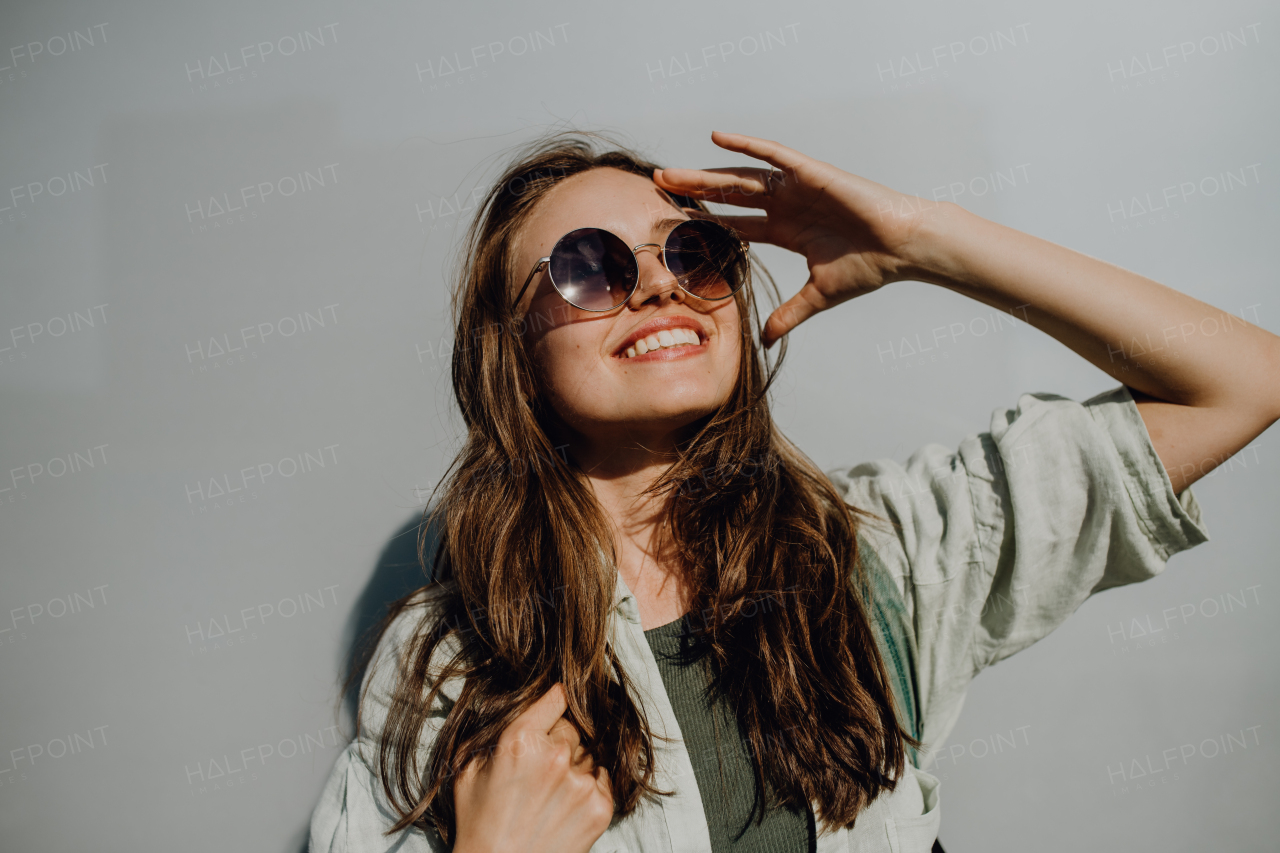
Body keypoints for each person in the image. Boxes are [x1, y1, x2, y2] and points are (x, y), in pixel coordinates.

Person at [309, 129, 1278, 853]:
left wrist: (923, 241)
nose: (656, 286)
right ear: (508, 351)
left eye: (688, 252)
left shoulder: (873, 558)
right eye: (588, 268)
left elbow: (1240, 381)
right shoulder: (453, 659)